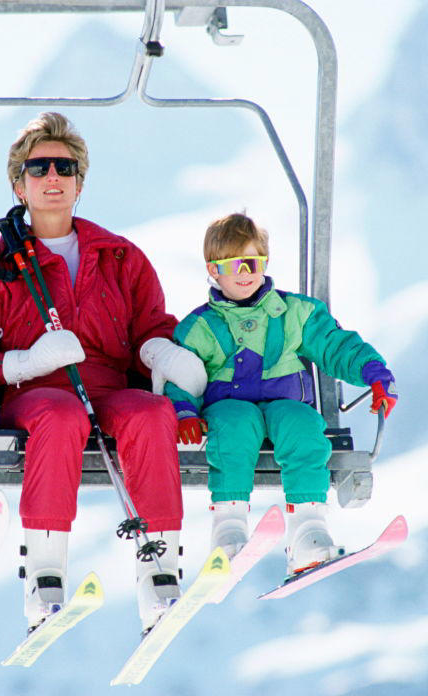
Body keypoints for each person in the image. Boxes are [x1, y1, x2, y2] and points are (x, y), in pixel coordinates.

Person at [0, 112, 206, 636]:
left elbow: (150, 325)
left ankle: (160, 572)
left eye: (65, 166)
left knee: (152, 413)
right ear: (18, 183)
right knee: (59, 416)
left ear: (81, 180)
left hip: (107, 384)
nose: (53, 177)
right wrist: (26, 362)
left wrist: (164, 356)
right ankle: (44, 574)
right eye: (39, 168)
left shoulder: (120, 257)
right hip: (34, 392)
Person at [166, 212, 398, 577]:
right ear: (214, 270)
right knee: (234, 427)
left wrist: (373, 373)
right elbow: (180, 373)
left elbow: (335, 345)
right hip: (229, 408)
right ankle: (229, 526)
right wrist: (184, 413)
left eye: (252, 262)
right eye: (233, 264)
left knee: (305, 427)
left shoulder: (295, 314)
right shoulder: (200, 327)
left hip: (286, 404)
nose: (245, 272)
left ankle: (308, 528)